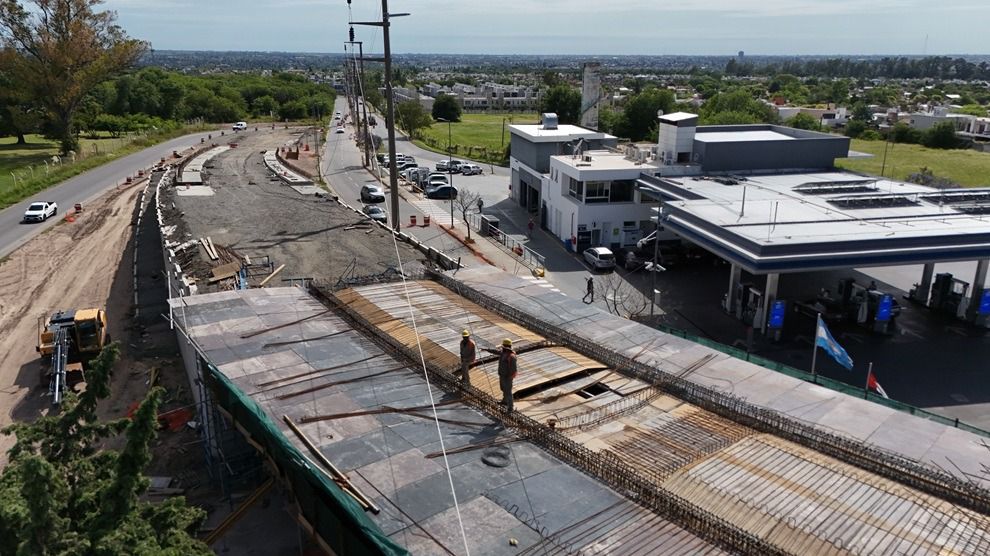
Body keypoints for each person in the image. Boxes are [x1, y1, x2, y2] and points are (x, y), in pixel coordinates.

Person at [497, 338, 517, 412]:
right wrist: (487, 350)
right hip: (502, 375)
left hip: (507, 377)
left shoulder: (511, 356)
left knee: (508, 391)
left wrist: (510, 377)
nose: (503, 348)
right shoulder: (503, 353)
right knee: (503, 389)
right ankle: (504, 401)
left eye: (504, 347)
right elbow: (496, 352)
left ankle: (510, 407)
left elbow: (514, 369)